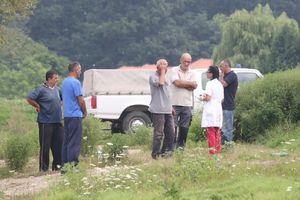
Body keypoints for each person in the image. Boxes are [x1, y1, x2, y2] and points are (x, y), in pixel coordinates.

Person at [27, 69, 63, 172]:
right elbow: (29, 98)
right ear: (49, 79)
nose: (57, 80)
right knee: (45, 146)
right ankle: (43, 169)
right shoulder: (41, 89)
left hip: (57, 122)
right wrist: (37, 105)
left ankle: (57, 167)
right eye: (55, 78)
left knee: (59, 145)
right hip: (45, 122)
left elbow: (62, 98)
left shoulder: (57, 89)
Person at [61, 61, 87, 169]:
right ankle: (73, 166)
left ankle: (64, 167)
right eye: (80, 69)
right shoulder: (75, 82)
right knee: (75, 142)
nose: (80, 71)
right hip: (75, 115)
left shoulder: (64, 82)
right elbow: (80, 100)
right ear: (76, 70)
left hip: (67, 115)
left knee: (66, 142)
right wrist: (85, 112)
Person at [149, 59, 175, 159]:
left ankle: (165, 153)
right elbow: (161, 83)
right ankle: (155, 154)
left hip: (168, 109)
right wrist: (163, 72)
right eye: (162, 65)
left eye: (166, 65)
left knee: (171, 133)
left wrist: (171, 106)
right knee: (159, 134)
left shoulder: (167, 78)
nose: (164, 67)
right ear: (157, 67)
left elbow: (167, 94)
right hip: (158, 110)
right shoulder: (153, 77)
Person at [171, 53, 197, 149]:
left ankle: (181, 147)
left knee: (184, 127)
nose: (187, 64)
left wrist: (183, 83)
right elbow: (177, 83)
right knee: (172, 126)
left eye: (189, 62)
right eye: (185, 61)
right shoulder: (174, 70)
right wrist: (189, 84)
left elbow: (194, 86)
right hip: (174, 103)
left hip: (187, 103)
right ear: (180, 60)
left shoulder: (193, 72)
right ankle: (171, 147)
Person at [200, 66, 224, 154]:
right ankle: (217, 151)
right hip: (218, 109)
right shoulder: (220, 84)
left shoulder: (210, 84)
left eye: (208, 72)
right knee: (217, 132)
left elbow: (208, 97)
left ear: (212, 73)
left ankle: (212, 152)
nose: (207, 73)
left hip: (210, 109)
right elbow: (222, 99)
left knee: (210, 132)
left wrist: (201, 98)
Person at [219, 59, 238, 143]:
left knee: (228, 128)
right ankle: (223, 144)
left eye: (221, 66)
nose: (220, 68)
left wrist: (220, 76)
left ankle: (228, 144)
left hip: (228, 106)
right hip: (222, 106)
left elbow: (223, 84)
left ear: (226, 66)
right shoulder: (225, 76)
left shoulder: (232, 75)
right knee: (222, 127)